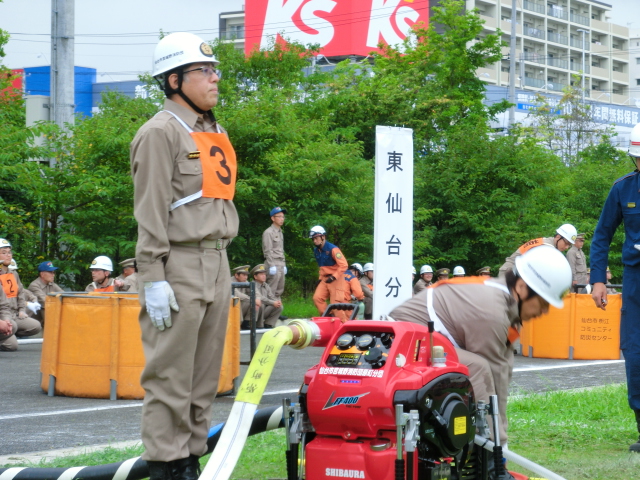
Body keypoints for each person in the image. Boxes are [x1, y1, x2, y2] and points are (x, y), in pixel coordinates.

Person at [130, 32, 239, 480]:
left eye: (214, 71)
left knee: (204, 375)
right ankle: (166, 463)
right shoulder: (159, 133)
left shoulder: (212, 129)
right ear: (174, 79)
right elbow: (150, 210)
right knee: (171, 374)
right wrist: (152, 275)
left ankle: (190, 457)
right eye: (204, 71)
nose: (214, 79)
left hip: (217, 260)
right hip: (178, 262)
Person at [390, 246, 572, 459]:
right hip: (405, 342)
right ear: (522, 288)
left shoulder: (507, 308)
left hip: (422, 340)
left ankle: (480, 453)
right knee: (477, 369)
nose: (544, 311)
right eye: (543, 302)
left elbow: (503, 372)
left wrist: (502, 439)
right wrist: (497, 445)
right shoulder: (492, 312)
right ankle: (482, 457)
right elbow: (490, 377)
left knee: (481, 372)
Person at [589, 121, 640, 453]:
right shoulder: (622, 189)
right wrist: (596, 280)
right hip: (635, 284)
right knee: (634, 352)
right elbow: (601, 236)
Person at [0, 238, 42, 351]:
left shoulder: (13, 273)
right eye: (4, 253)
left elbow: (21, 293)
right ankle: (8, 332)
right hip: (3, 316)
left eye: (9, 252)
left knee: (36, 326)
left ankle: (10, 331)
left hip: (14, 314)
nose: (8, 255)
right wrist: (5, 320)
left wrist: (22, 310)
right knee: (12, 345)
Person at [498, 224, 577, 277]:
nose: (567, 247)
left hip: (515, 272)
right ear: (558, 237)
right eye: (566, 243)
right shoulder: (547, 249)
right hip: (509, 272)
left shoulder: (547, 242)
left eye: (569, 245)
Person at [310, 226, 349, 321]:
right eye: (313, 239)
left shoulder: (333, 249)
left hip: (336, 279)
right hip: (324, 279)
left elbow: (344, 265)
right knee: (317, 298)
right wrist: (320, 279)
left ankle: (344, 326)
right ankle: (328, 318)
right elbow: (322, 267)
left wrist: (334, 277)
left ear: (323, 237)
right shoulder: (316, 251)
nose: (314, 241)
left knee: (336, 305)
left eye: (316, 238)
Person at [27, 261, 64, 326]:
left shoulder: (51, 284)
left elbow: (64, 295)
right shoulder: (34, 285)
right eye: (50, 272)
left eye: (53, 272)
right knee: (46, 307)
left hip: (45, 318)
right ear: (42, 274)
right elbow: (45, 301)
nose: (53, 275)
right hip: (35, 320)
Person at [262, 207, 287, 301]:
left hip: (280, 262)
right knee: (271, 289)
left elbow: (281, 249)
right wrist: (272, 265)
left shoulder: (280, 232)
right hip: (273, 263)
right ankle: (267, 313)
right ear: (273, 218)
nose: (282, 219)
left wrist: (284, 264)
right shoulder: (268, 232)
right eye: (279, 216)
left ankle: (276, 311)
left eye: (283, 217)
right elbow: (267, 250)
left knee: (279, 289)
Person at [251, 264, 283, 328]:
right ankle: (256, 324)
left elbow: (271, 296)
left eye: (264, 274)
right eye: (261, 274)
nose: (264, 276)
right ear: (255, 277)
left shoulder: (265, 285)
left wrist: (277, 302)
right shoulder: (252, 285)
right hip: (255, 311)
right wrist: (272, 303)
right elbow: (260, 298)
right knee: (260, 304)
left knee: (279, 306)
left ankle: (268, 323)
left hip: (263, 311)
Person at [231, 265, 260, 330]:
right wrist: (253, 300)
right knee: (238, 301)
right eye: (243, 275)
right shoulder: (229, 282)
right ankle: (237, 326)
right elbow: (237, 295)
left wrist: (257, 299)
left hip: (240, 306)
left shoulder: (245, 282)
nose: (245, 277)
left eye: (246, 275)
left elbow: (256, 291)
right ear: (236, 275)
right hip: (230, 306)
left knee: (254, 303)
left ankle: (246, 323)